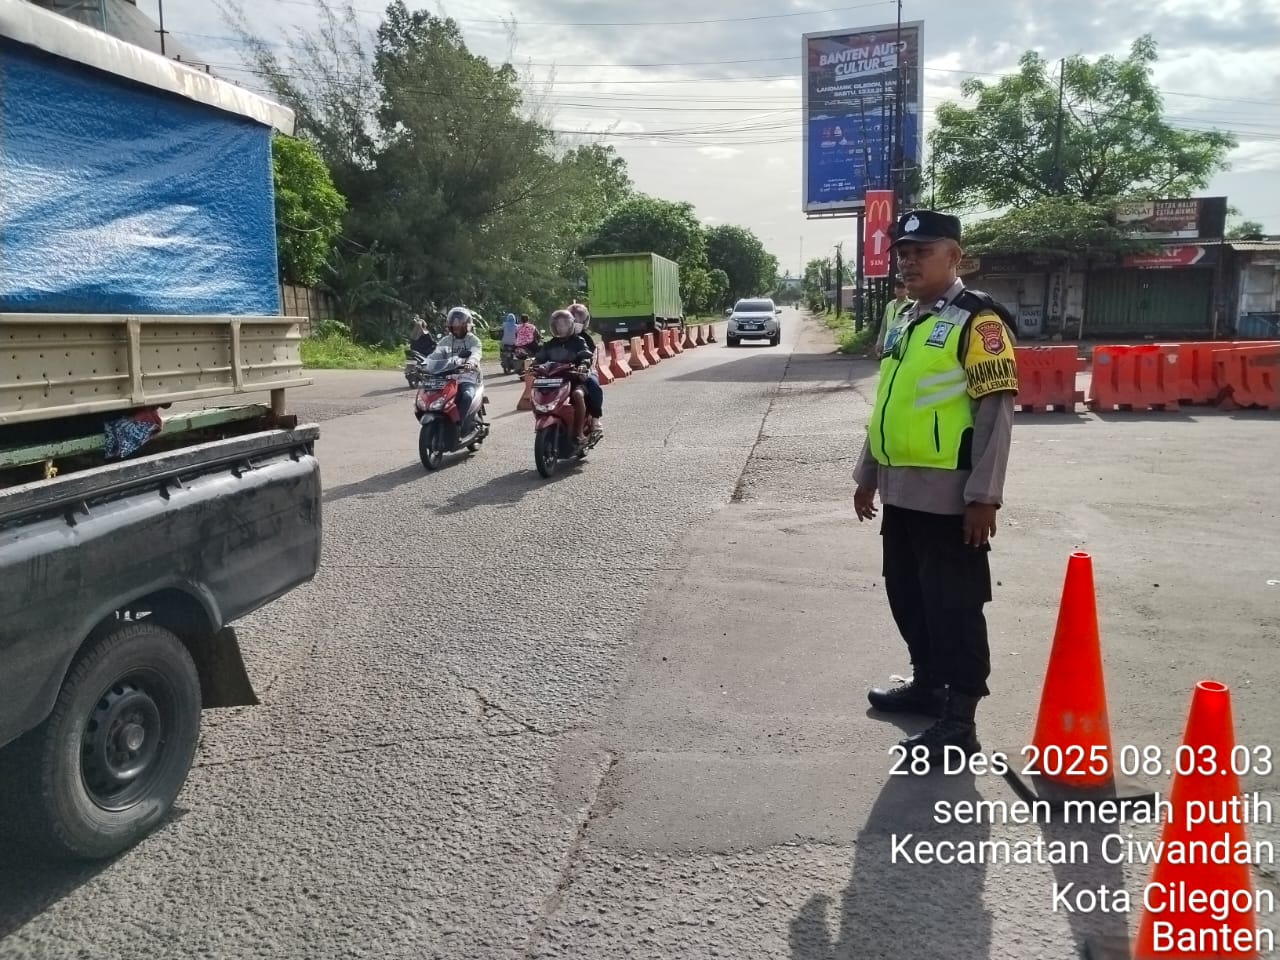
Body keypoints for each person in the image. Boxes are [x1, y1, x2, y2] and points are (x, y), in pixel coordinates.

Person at [851, 209, 1019, 767]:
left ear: (954, 256)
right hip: (900, 492)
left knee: (954, 607)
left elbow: (996, 413)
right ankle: (927, 685)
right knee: (908, 595)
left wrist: (984, 496)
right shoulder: (903, 317)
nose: (909, 261)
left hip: (950, 499)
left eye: (922, 251)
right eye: (904, 252)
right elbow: (889, 403)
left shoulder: (980, 322)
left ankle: (960, 721)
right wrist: (868, 474)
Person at [535, 308, 595, 444]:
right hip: (553, 380)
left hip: (573, 379)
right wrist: (533, 364)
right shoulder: (550, 344)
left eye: (564, 324)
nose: (561, 328)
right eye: (558, 325)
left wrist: (583, 364)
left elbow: (586, 355)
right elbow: (540, 357)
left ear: (571, 325)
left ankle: (579, 433)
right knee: (540, 393)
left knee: (578, 395)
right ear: (554, 327)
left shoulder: (578, 341)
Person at [427, 306, 485, 432]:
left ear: (467, 325)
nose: (457, 328)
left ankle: (459, 426)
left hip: (468, 377)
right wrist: (426, 363)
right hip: (448, 377)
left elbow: (476, 354)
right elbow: (435, 355)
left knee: (466, 396)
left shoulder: (473, 340)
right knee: (433, 395)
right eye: (454, 326)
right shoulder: (445, 341)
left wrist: (471, 363)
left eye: (460, 325)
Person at [566, 302, 604, 427]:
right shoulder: (558, 338)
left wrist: (583, 365)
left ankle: (595, 417)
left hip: (583, 371)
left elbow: (590, 356)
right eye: (573, 318)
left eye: (579, 318)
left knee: (594, 385)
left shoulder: (586, 339)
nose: (576, 322)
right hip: (562, 372)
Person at [875, 280, 912, 359]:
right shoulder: (890, 305)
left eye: (903, 287)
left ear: (908, 290)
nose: (900, 289)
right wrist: (880, 341)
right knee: (886, 363)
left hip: (902, 342)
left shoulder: (912, 305)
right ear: (894, 290)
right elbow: (884, 325)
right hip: (888, 342)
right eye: (898, 287)